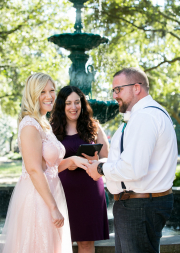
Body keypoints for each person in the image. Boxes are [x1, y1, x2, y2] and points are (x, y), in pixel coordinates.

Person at [86, 67, 178, 253]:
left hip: (139, 207)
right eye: (114, 90)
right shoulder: (144, 114)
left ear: (136, 88)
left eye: (118, 89)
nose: (114, 95)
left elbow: (133, 169)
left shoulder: (144, 117)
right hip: (139, 204)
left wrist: (101, 169)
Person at [1, 73, 89, 253]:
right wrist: (53, 207)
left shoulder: (43, 124)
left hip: (51, 192)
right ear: (32, 95)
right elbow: (34, 170)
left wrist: (72, 160)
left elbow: (50, 167)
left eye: (51, 91)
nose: (49, 96)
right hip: (38, 198)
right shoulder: (29, 125)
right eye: (42, 92)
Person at [50, 86, 109, 253]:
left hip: (89, 192)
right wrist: (69, 162)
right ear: (61, 105)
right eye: (68, 103)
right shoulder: (51, 130)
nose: (73, 107)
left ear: (82, 104)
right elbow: (45, 165)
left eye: (77, 102)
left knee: (86, 244)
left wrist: (96, 161)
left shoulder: (94, 126)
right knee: (60, 242)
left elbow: (108, 158)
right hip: (61, 192)